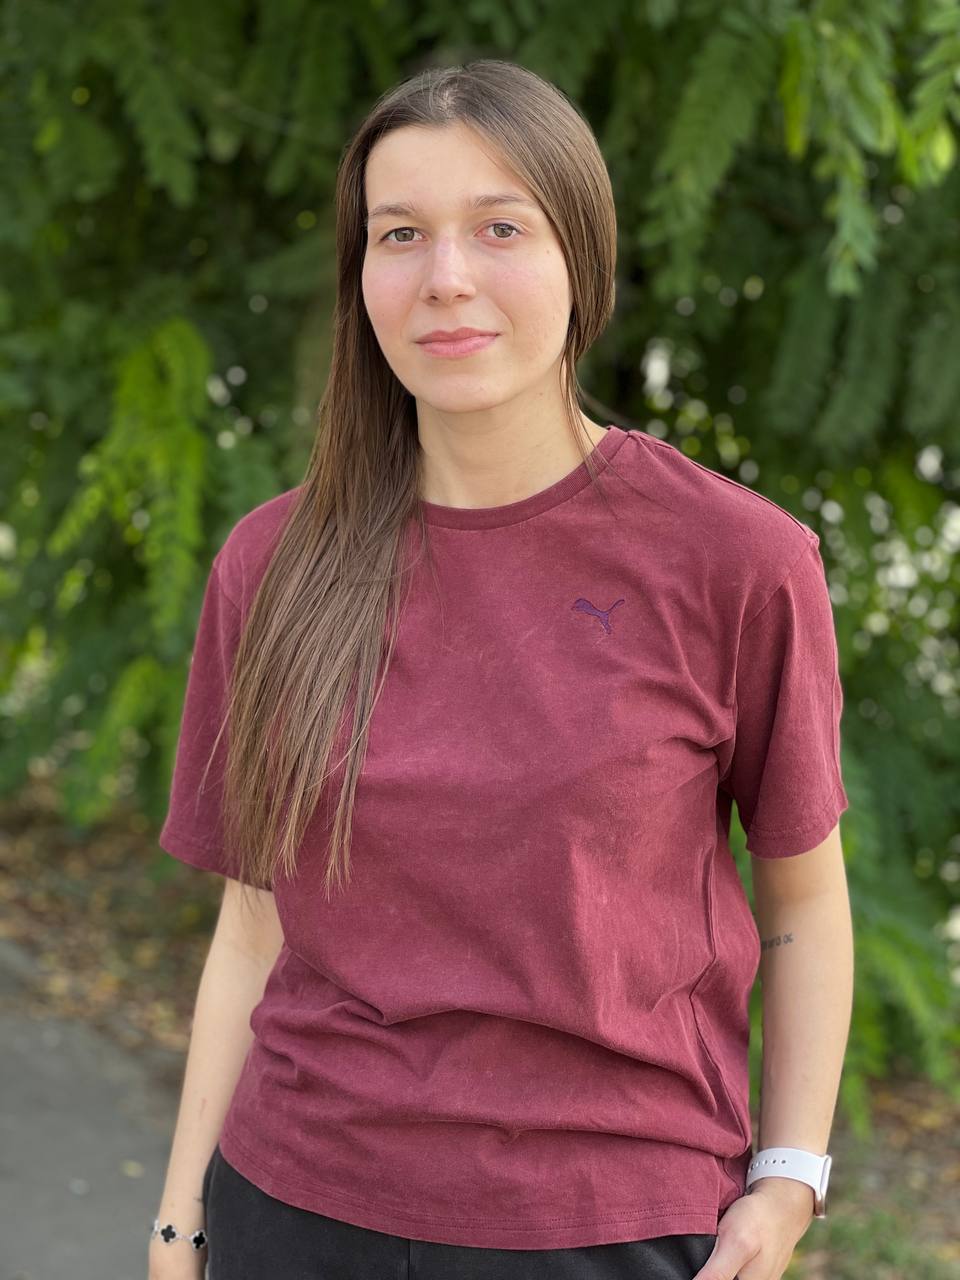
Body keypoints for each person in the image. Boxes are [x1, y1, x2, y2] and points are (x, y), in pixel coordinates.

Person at [148, 58, 853, 1280]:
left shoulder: (736, 559)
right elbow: (252, 925)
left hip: (610, 1221)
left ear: (584, 256)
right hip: (294, 1210)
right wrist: (179, 1218)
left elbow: (803, 902)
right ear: (359, 273)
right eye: (400, 234)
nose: (446, 277)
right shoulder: (274, 564)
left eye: (500, 227)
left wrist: (790, 1176)